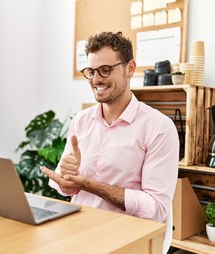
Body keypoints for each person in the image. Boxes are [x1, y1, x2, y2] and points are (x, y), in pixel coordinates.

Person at [41, 31, 179, 227]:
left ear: (129, 68)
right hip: (78, 228)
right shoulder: (81, 121)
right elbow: (67, 188)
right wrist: (66, 178)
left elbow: (156, 209)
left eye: (105, 69)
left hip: (125, 235)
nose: (96, 80)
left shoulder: (159, 128)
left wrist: (89, 184)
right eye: (91, 71)